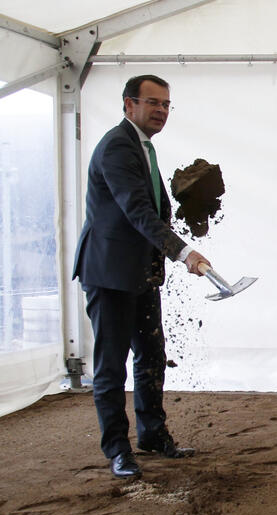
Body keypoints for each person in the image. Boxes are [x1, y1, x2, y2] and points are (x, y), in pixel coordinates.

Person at [73, 74, 209, 479]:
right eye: (153, 103)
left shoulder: (143, 148)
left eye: (166, 104)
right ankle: (117, 449)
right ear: (129, 105)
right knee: (111, 365)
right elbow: (136, 210)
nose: (161, 111)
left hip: (141, 274)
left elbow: (153, 208)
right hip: (110, 273)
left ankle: (152, 434)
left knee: (151, 356)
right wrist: (182, 251)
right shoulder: (118, 146)